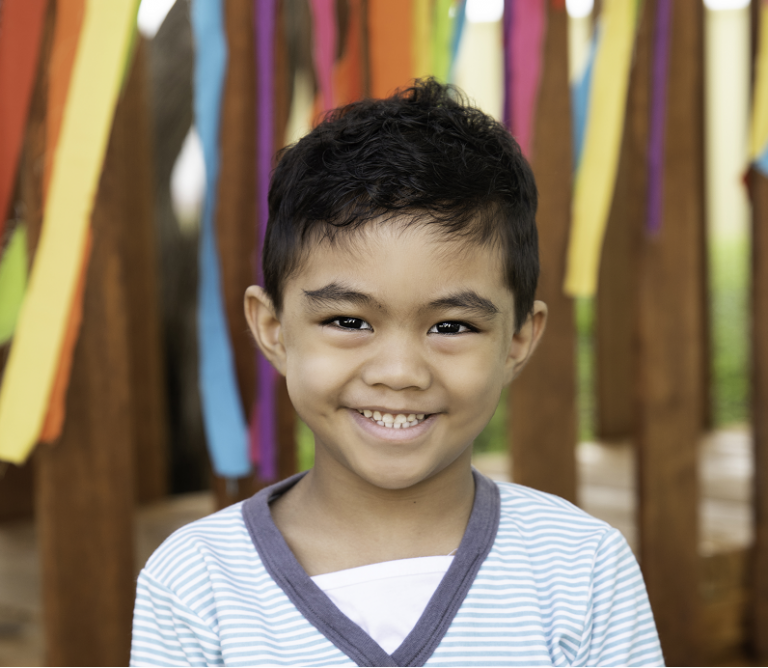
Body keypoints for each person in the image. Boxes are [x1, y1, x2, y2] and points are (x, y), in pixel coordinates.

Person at [130, 79, 663, 667]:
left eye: (452, 327)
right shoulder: (197, 583)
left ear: (517, 340)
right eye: (349, 321)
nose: (400, 373)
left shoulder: (581, 567)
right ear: (274, 328)